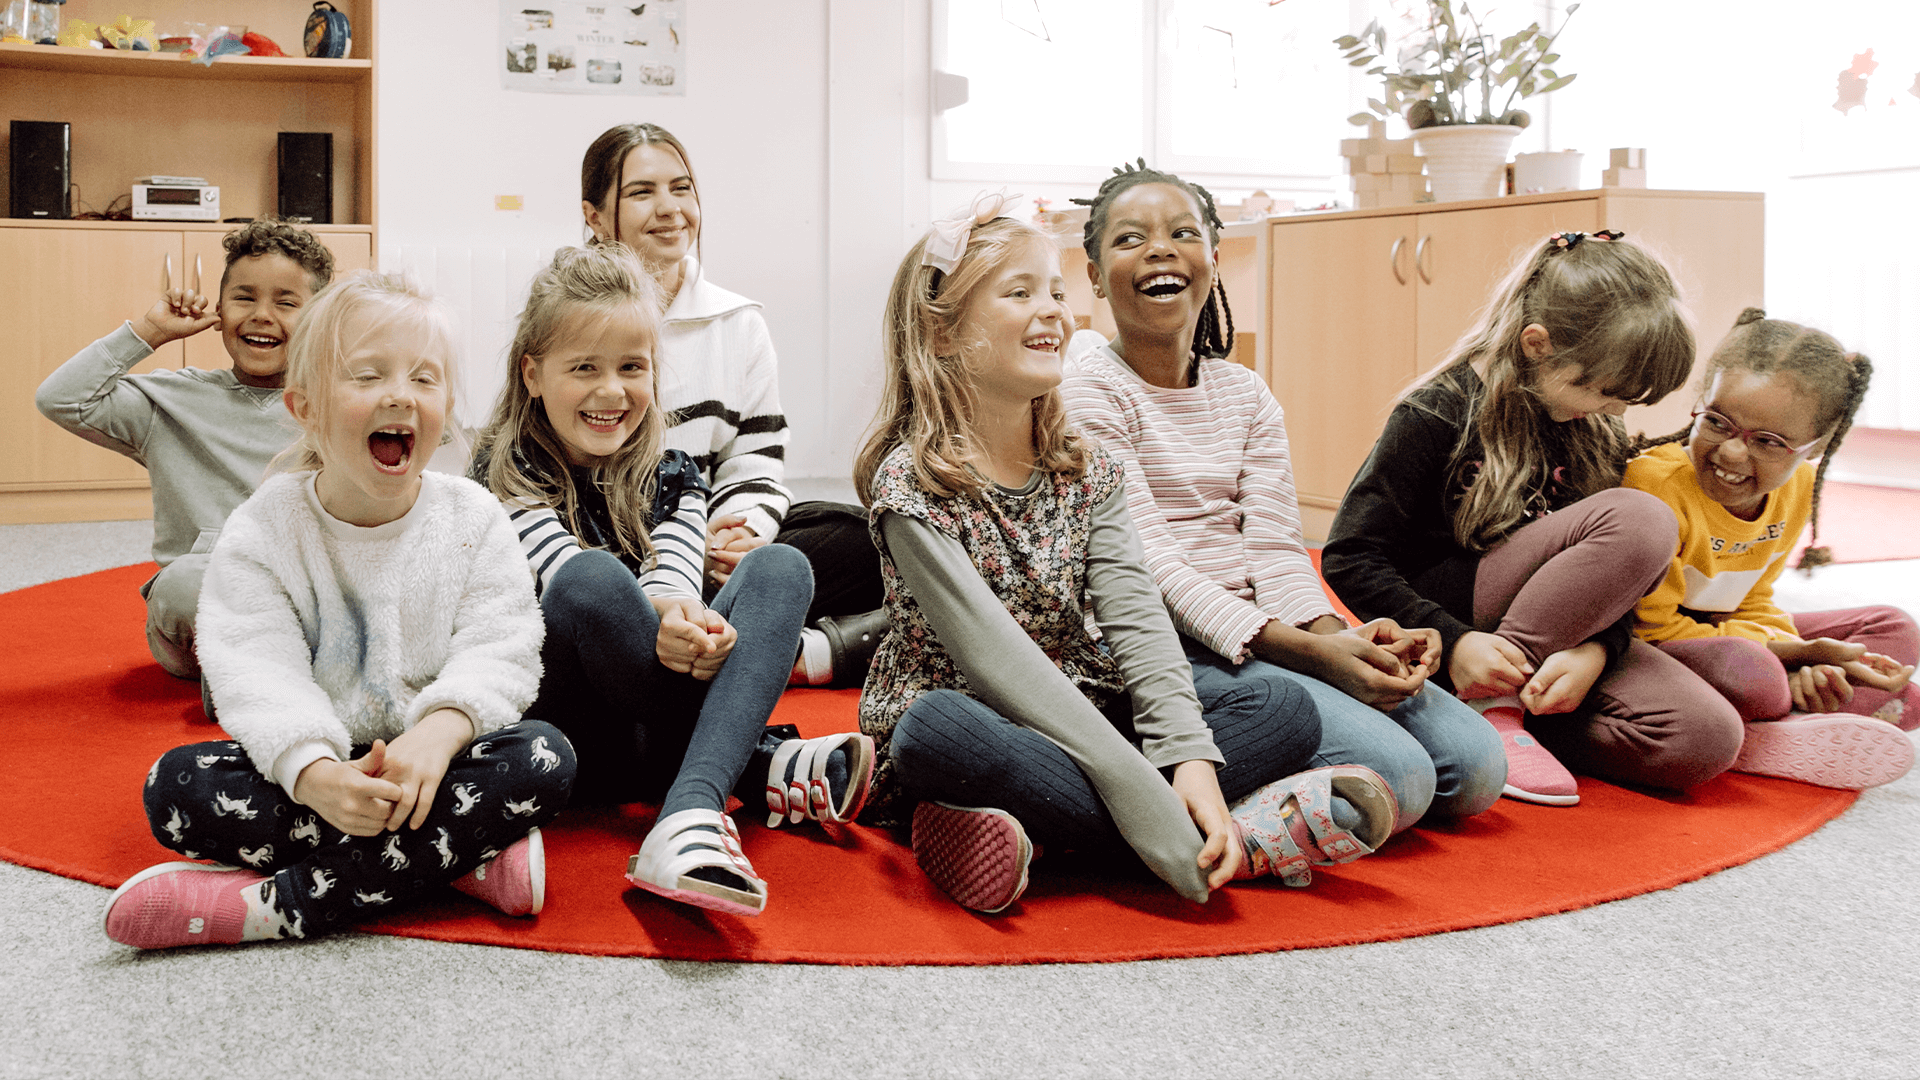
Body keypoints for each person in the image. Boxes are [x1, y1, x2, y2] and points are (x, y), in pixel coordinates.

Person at [855, 194, 1396, 916]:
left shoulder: (1088, 468)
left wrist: (1192, 763)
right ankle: (1243, 839)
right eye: (1020, 294)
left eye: (1056, 291)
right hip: (977, 713)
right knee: (935, 733)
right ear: (945, 334)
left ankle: (1048, 835)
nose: (1053, 310)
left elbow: (1140, 625)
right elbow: (998, 663)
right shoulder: (910, 487)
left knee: (1283, 707)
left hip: (1081, 701)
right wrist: (1149, 798)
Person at [104, 273, 575, 950]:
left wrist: (438, 734)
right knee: (172, 787)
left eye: (423, 378)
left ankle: (279, 905)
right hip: (317, 765)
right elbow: (253, 666)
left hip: (441, 763)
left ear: (447, 403)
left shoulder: (474, 517)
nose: (399, 395)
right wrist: (316, 773)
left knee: (546, 756)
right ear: (306, 408)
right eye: (367, 376)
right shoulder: (266, 526)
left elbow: (501, 646)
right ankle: (458, 862)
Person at [1062, 161, 1504, 836]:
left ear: (1212, 256)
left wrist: (1345, 641)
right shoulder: (1087, 393)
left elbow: (1275, 551)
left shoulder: (1245, 394)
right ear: (1093, 274)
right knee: (1408, 784)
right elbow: (1155, 573)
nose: (1158, 248)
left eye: (1182, 232)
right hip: (1159, 646)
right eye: (1129, 239)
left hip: (1269, 639)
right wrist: (1311, 657)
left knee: (1475, 768)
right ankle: (1220, 802)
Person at [472, 244, 871, 917]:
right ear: (533, 374)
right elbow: (565, 582)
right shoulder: (499, 474)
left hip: (654, 726)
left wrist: (691, 624)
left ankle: (690, 812)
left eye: (633, 367)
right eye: (584, 369)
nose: (611, 391)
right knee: (592, 579)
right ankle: (758, 761)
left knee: (781, 566)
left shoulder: (674, 469)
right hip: (569, 737)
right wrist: (662, 627)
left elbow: (675, 580)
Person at [1322, 230, 1745, 800]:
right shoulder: (1436, 411)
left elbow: (1608, 579)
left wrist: (1596, 650)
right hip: (1454, 626)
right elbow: (1351, 557)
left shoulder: (1594, 423)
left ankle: (1507, 709)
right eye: (1603, 391)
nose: (1615, 411)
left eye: (1628, 399)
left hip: (1549, 635)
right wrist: (1460, 641)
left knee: (1705, 737)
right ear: (1538, 344)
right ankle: (1491, 704)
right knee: (1643, 519)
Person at [579, 123, 886, 686]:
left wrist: (738, 533)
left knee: (872, 540)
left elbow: (756, 459)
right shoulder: (568, 318)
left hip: (711, 557)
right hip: (613, 544)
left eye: (682, 188)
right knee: (583, 586)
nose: (670, 209)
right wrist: (678, 552)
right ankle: (745, 642)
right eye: (642, 192)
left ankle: (760, 644)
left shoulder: (738, 322)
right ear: (595, 217)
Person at [1624, 309, 1915, 789]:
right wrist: (1793, 655)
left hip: (1732, 636)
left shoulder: (1797, 484)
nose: (1733, 453)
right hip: (1665, 649)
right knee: (1756, 672)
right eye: (1717, 422)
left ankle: (1793, 710)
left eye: (1768, 441)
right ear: (1699, 403)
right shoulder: (1655, 484)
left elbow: (1756, 600)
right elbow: (1653, 630)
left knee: (1894, 627)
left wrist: (1804, 659)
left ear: (1814, 448)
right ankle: (1779, 724)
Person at [36, 220, 335, 683]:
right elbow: (60, 399)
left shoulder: (340, 406)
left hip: (301, 599)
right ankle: (266, 671)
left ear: (317, 320)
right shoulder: (172, 401)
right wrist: (148, 332)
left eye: (286, 302)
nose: (261, 314)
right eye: (244, 297)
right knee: (183, 585)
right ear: (218, 309)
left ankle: (260, 672)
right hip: (204, 608)